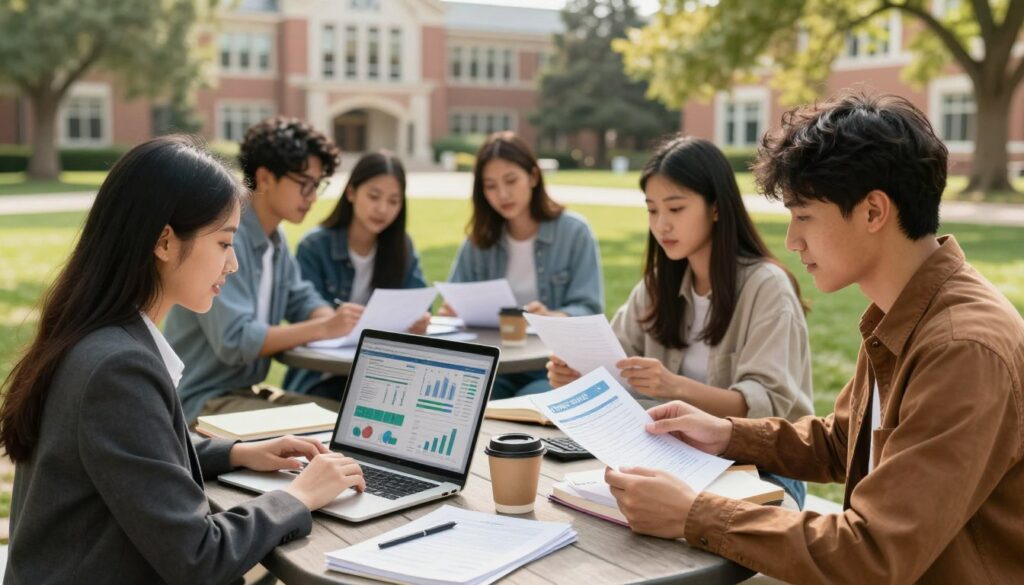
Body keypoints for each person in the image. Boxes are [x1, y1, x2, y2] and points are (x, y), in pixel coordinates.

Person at [605, 94, 1024, 583]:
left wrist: (694, 513)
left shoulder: (961, 348)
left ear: (873, 212)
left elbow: (873, 553)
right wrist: (726, 433)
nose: (791, 240)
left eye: (803, 215)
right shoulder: (908, 310)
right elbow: (842, 441)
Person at [0, 136, 365, 584]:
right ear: (165, 242)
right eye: (223, 244)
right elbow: (199, 557)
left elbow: (137, 455)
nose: (231, 265)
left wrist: (237, 452)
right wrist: (299, 496)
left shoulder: (93, 338)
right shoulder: (117, 369)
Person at [546, 135, 813, 507]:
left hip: (761, 468)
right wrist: (578, 376)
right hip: (676, 461)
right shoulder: (658, 286)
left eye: (676, 209)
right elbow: (615, 360)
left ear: (716, 208)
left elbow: (763, 406)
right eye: (652, 210)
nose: (661, 225)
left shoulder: (766, 287)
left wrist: (675, 386)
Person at [165, 117, 353, 423]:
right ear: (265, 178)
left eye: (317, 185)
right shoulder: (226, 240)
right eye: (304, 184)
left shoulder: (275, 239)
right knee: (336, 429)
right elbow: (236, 341)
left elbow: (301, 299)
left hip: (247, 392)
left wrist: (336, 321)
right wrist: (324, 329)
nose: (313, 197)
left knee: (348, 421)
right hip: (202, 401)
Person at [446, 131, 604, 398]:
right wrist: (453, 311)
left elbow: (588, 308)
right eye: (490, 186)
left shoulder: (575, 232)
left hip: (552, 366)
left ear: (532, 177)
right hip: (493, 365)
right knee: (463, 401)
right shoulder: (478, 241)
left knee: (528, 404)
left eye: (510, 180)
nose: (502, 194)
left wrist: (552, 317)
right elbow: (453, 303)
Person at [284, 151, 429, 398]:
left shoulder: (401, 247)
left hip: (385, 375)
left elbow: (418, 302)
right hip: (324, 376)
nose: (382, 209)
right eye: (374, 196)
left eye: (394, 201)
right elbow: (303, 315)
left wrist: (419, 319)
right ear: (351, 192)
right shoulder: (315, 247)